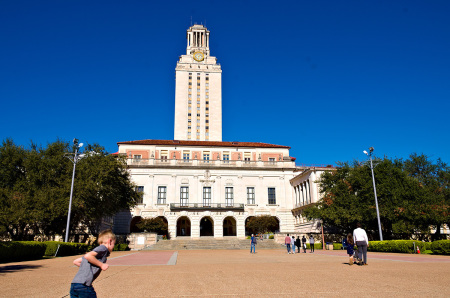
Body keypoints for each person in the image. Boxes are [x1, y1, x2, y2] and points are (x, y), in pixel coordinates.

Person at [70, 229, 116, 297]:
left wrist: (87, 267)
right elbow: (88, 256)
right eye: (114, 244)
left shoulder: (97, 252)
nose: (113, 246)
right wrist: (101, 265)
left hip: (74, 284)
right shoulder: (103, 248)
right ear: (110, 241)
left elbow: (76, 261)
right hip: (84, 285)